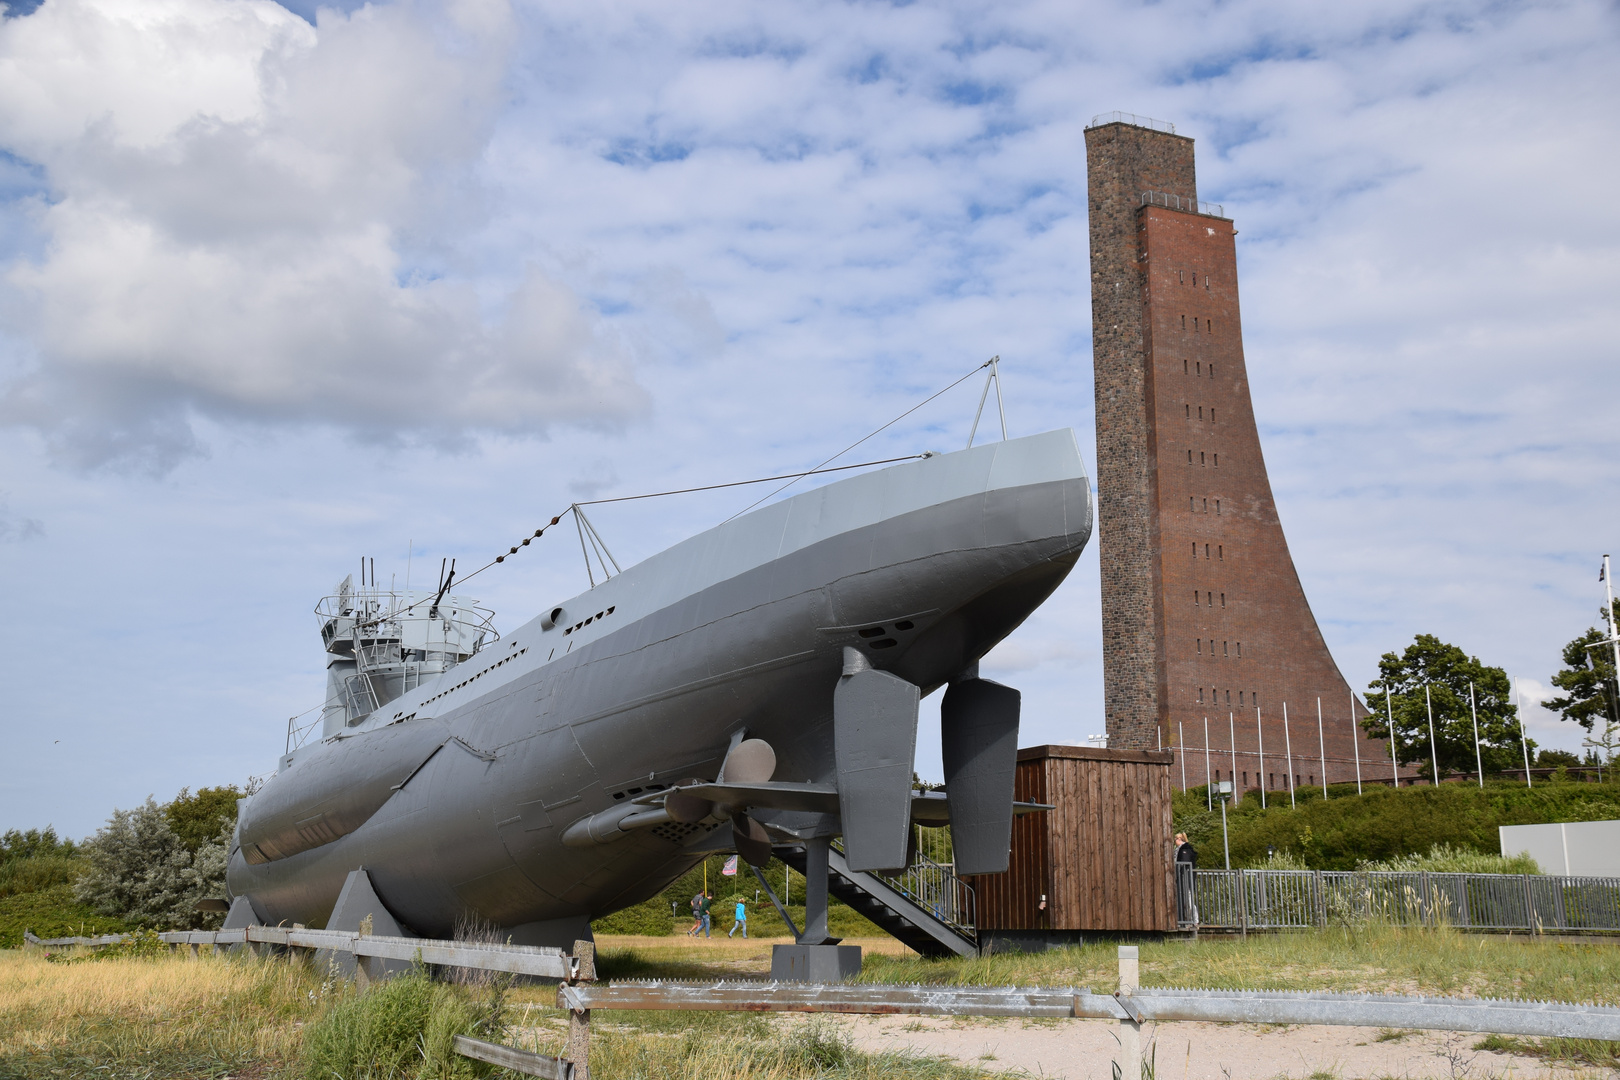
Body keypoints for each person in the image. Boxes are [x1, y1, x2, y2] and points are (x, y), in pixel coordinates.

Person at [1173, 832, 1199, 927]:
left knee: (1188, 899)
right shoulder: (1182, 849)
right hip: (1183, 877)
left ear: (1179, 839)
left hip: (1186, 877)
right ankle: (1189, 920)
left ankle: (1194, 920)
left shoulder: (1185, 849)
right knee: (1185, 899)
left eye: (1175, 839)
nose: (1174, 841)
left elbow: (1184, 863)